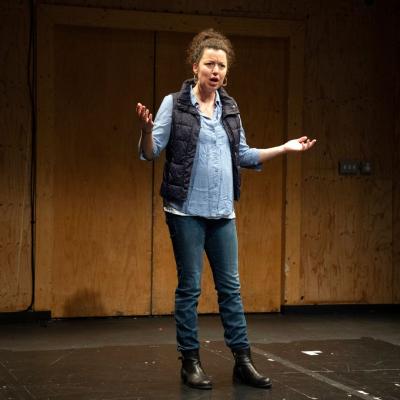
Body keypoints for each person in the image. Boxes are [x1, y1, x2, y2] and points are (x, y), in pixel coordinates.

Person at [136, 28, 316, 390]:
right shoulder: (176, 103)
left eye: (221, 66)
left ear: (226, 73)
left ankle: (242, 361)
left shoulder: (230, 108)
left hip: (222, 213)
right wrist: (145, 130)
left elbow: (243, 155)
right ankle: (190, 362)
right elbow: (150, 152)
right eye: (209, 64)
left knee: (231, 289)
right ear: (195, 67)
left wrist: (283, 148)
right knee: (189, 288)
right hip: (185, 211)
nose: (215, 71)